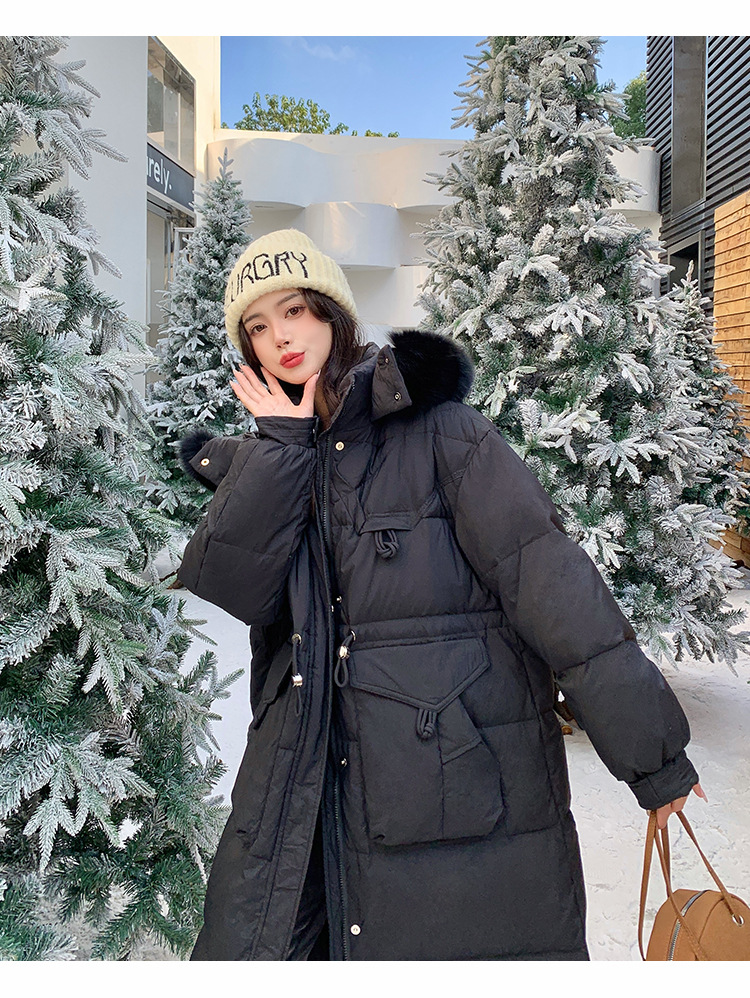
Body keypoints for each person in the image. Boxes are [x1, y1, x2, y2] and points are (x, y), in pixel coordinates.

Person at [176, 228, 705, 961]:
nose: (281, 338)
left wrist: (654, 755)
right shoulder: (274, 455)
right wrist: (280, 449)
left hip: (444, 784)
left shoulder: (441, 434)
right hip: (301, 786)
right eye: (258, 327)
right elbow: (233, 586)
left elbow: (546, 578)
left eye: (294, 310)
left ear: (333, 313)